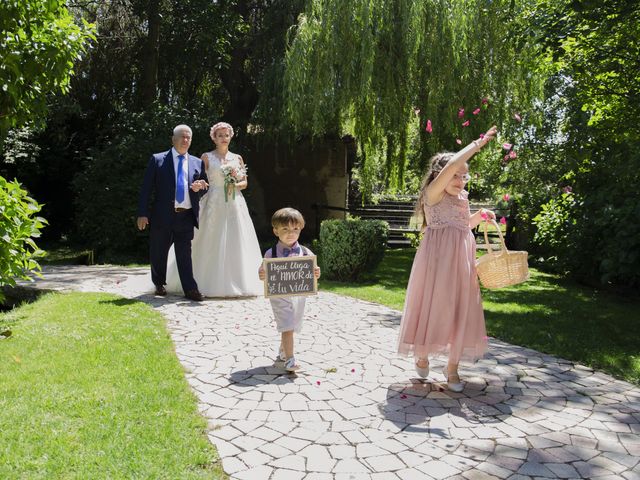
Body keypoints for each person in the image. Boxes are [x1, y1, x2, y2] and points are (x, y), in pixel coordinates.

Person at [397, 126, 498, 392]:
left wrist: (481, 217)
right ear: (440, 176)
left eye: (464, 178)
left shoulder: (462, 198)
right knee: (432, 305)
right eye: (456, 176)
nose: (460, 182)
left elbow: (463, 227)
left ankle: (452, 368)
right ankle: (422, 353)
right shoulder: (434, 193)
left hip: (461, 261)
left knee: (459, 308)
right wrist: (479, 142)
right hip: (436, 262)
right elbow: (453, 162)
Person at [165, 121, 263, 297]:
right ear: (214, 138)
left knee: (236, 238)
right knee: (209, 237)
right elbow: (202, 180)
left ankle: (238, 281)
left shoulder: (237, 158)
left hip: (234, 203)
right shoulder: (206, 157)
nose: (224, 138)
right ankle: (197, 280)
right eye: (220, 136)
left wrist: (235, 184)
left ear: (231, 136)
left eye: (226, 135)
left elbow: (245, 182)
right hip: (213, 201)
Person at [137, 124, 209, 301]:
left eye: (188, 137)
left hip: (186, 215)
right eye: (182, 137)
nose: (185, 140)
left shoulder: (197, 162)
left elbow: (205, 186)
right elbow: (146, 188)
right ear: (173, 139)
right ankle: (159, 283)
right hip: (163, 215)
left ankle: (190, 289)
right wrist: (142, 213)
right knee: (158, 251)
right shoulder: (158, 159)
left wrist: (201, 187)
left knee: (184, 254)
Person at [258, 208, 321, 372]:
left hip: (299, 296)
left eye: (295, 229)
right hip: (279, 297)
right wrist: (262, 272)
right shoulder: (271, 253)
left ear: (300, 229)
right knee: (287, 326)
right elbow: (263, 272)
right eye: (285, 229)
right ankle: (290, 360)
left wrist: (316, 272)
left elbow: (314, 271)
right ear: (276, 231)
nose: (291, 233)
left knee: (294, 324)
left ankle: (283, 353)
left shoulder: (306, 252)